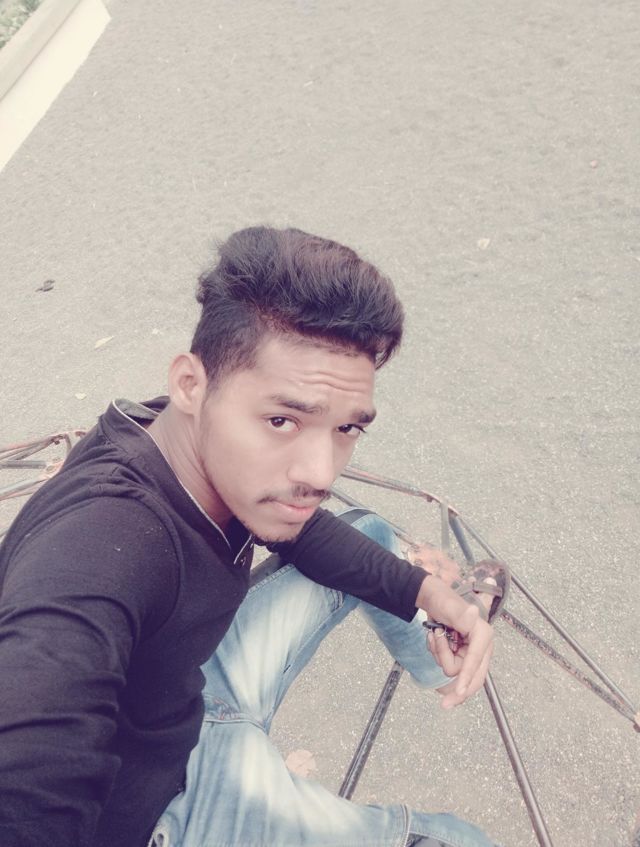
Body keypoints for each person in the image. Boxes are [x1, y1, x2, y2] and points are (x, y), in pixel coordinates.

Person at [0, 226, 499, 847]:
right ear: (191, 384)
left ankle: (441, 660)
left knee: (368, 532)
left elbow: (301, 531)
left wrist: (432, 597)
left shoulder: (173, 434)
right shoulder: (98, 547)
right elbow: (29, 772)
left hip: (192, 693)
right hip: (163, 812)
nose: (321, 473)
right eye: (282, 419)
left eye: (346, 429)